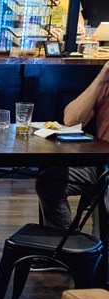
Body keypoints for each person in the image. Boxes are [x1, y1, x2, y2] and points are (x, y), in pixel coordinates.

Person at [36, 61, 109, 230]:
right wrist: (101, 77)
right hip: (99, 165)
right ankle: (63, 241)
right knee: (49, 181)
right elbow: (71, 120)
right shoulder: (105, 84)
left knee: (104, 193)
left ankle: (99, 245)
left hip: (104, 172)